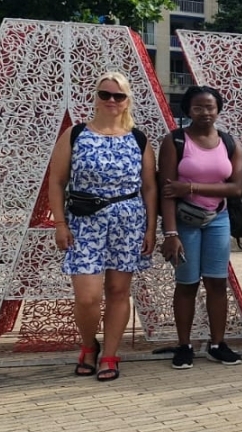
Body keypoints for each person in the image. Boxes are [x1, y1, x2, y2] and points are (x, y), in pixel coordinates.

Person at [46, 71, 158, 382]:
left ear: (127, 101)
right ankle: (88, 345)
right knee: (87, 296)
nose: (111, 100)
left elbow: (150, 187)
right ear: (95, 97)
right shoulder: (76, 134)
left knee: (119, 290)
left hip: (127, 221)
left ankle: (110, 353)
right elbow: (56, 181)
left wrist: (150, 229)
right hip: (84, 222)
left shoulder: (138, 138)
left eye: (118, 96)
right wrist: (59, 223)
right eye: (104, 94)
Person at [158, 85, 242, 370]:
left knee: (217, 283)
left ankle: (217, 344)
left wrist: (193, 186)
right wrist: (170, 234)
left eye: (210, 107)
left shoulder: (229, 142)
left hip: (218, 219)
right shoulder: (175, 141)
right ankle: (184, 346)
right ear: (187, 110)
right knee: (187, 283)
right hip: (185, 222)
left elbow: (235, 187)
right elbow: (167, 191)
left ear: (218, 109)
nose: (205, 112)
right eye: (198, 107)